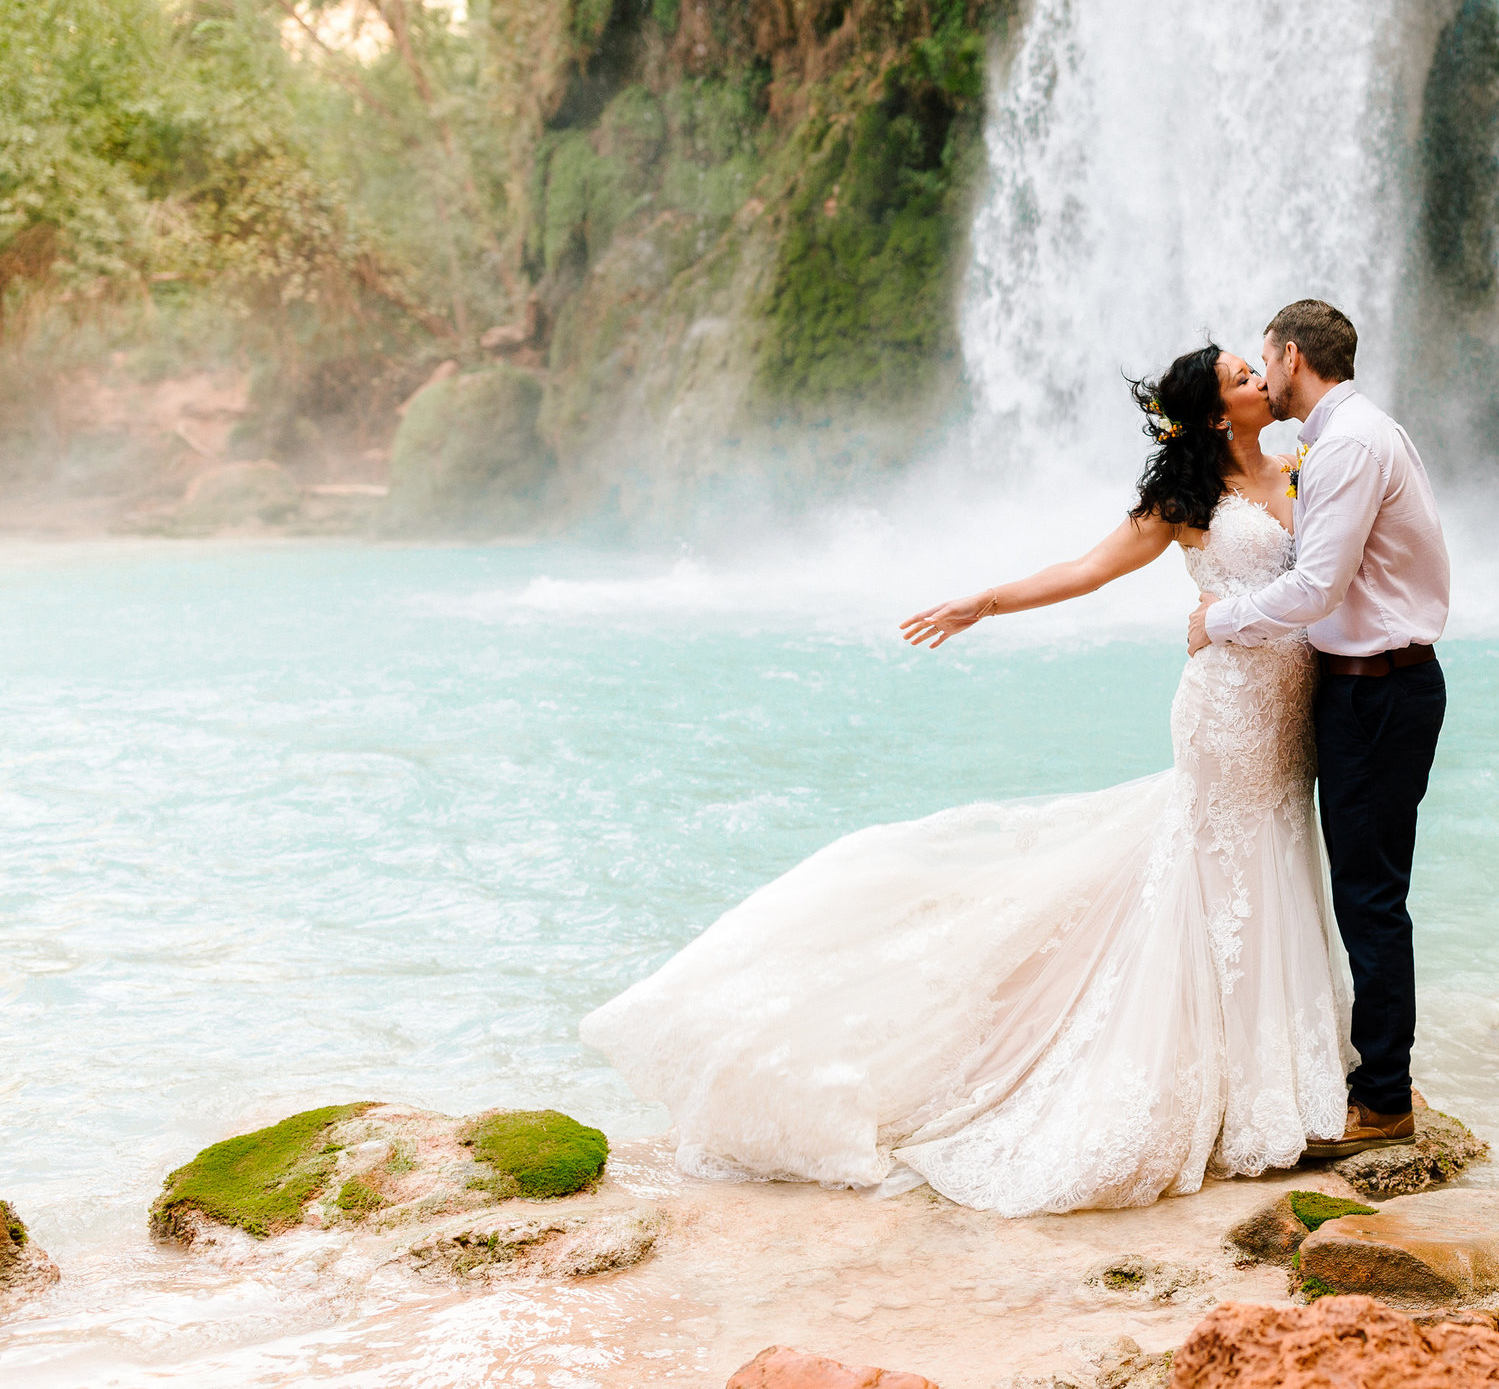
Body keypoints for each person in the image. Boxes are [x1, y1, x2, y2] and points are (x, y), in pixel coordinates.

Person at [579, 343, 1359, 1216]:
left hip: (1291, 708)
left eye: (1259, 370)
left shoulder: (1300, 468)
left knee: (1278, 856)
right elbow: (1085, 569)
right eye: (1243, 379)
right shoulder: (1185, 503)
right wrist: (982, 601)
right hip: (1224, 711)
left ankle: (1277, 1066)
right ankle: (1228, 1082)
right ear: (1218, 415)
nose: (1262, 379)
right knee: (1219, 871)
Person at [1190, 299, 1449, 1154]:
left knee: (1370, 895)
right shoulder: (1350, 435)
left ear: (1293, 356)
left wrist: (1218, 619)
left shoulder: (1345, 444)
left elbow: (1315, 590)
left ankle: (1381, 1099)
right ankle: (1380, 1072)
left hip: (1377, 689)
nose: (1262, 382)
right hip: (1372, 686)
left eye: (1265, 366)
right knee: (1367, 889)